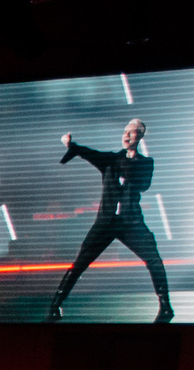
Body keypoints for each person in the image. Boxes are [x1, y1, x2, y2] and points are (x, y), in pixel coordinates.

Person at [47, 118, 173, 323]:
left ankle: (166, 307)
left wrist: (127, 158)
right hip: (106, 221)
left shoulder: (146, 163)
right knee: (80, 262)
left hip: (131, 222)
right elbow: (90, 153)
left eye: (131, 132)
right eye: (124, 131)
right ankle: (55, 305)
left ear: (140, 136)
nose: (126, 135)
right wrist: (71, 146)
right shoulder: (110, 160)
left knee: (154, 260)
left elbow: (142, 184)